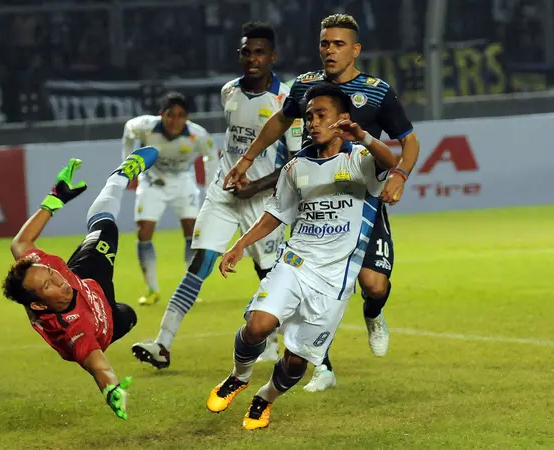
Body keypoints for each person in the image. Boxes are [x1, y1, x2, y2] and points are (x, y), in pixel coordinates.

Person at [223, 13, 421, 392]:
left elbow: (409, 141)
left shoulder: (377, 91)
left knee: (375, 285)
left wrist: (399, 176)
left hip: (360, 200)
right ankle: (322, 367)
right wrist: (247, 159)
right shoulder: (307, 86)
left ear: (356, 50)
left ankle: (374, 313)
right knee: (305, 280)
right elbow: (279, 122)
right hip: (313, 201)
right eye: (325, 43)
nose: (329, 50)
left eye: (338, 44)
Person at [206, 83, 400, 430]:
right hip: (296, 263)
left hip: (334, 279)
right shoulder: (296, 166)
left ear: (342, 119)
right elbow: (276, 214)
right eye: (308, 116)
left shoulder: (359, 160)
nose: (311, 122)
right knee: (257, 326)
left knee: (296, 363)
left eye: (320, 114)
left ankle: (264, 399)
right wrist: (238, 246)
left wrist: (365, 136)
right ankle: (239, 375)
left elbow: (393, 161)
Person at [131, 21, 302, 369]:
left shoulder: (288, 102)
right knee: (200, 264)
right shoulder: (229, 92)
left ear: (272, 56)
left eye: (259, 52)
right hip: (224, 194)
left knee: (268, 271)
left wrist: (255, 185)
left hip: (263, 200)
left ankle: (272, 341)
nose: (251, 58)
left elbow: (296, 162)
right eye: (246, 52)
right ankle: (162, 344)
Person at [1, 147, 157, 420]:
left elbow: (20, 244)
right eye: (48, 284)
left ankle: (119, 177)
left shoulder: (48, 273)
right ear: (38, 303)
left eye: (51, 273)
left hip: (87, 279)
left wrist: (53, 200)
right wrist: (112, 389)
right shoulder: (73, 329)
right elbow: (98, 365)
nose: (58, 281)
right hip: (106, 322)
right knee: (129, 315)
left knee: (106, 229)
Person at [122, 92, 218, 307]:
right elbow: (128, 130)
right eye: (170, 115)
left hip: (184, 181)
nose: (175, 121)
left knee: (191, 231)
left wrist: (212, 187)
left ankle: (190, 288)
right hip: (152, 181)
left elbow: (211, 156)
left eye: (180, 115)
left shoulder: (197, 134)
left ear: (187, 117)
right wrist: (128, 166)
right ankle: (151, 289)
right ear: (161, 115)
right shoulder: (145, 126)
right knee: (144, 232)